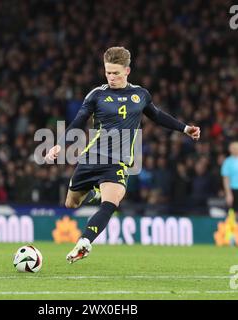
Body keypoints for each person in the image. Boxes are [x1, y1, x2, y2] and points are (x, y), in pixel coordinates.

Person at [45, 47, 200, 263]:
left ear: (127, 71)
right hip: (92, 158)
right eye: (108, 72)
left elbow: (157, 116)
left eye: (116, 73)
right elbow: (78, 121)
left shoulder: (141, 95)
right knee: (71, 204)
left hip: (117, 162)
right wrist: (60, 145)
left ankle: (84, 242)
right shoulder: (97, 94)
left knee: (111, 203)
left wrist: (184, 128)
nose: (111, 77)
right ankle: (95, 192)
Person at [221, 141, 238, 214]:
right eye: (232, 148)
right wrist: (228, 194)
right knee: (233, 212)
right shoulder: (227, 162)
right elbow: (226, 179)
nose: (234, 149)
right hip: (233, 189)